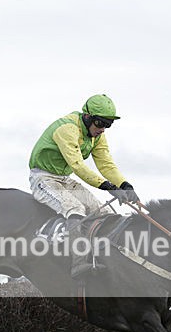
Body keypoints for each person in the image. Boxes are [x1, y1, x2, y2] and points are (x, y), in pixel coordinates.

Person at [29, 94, 140, 278]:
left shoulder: (97, 135)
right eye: (100, 123)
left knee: (100, 212)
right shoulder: (67, 129)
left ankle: (103, 258)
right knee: (76, 208)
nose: (103, 129)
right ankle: (78, 264)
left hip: (64, 178)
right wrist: (109, 187)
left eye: (108, 124)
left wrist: (124, 185)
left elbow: (106, 164)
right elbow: (78, 165)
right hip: (43, 178)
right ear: (87, 117)